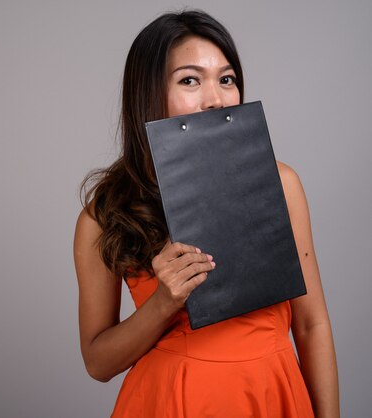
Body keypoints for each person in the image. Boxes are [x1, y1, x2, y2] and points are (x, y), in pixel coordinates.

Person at [73, 9, 339, 418]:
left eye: (226, 79)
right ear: (149, 93)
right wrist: (163, 302)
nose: (216, 98)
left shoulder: (281, 183)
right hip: (170, 401)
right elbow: (98, 362)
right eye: (190, 80)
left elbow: (311, 325)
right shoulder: (105, 214)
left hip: (272, 395)